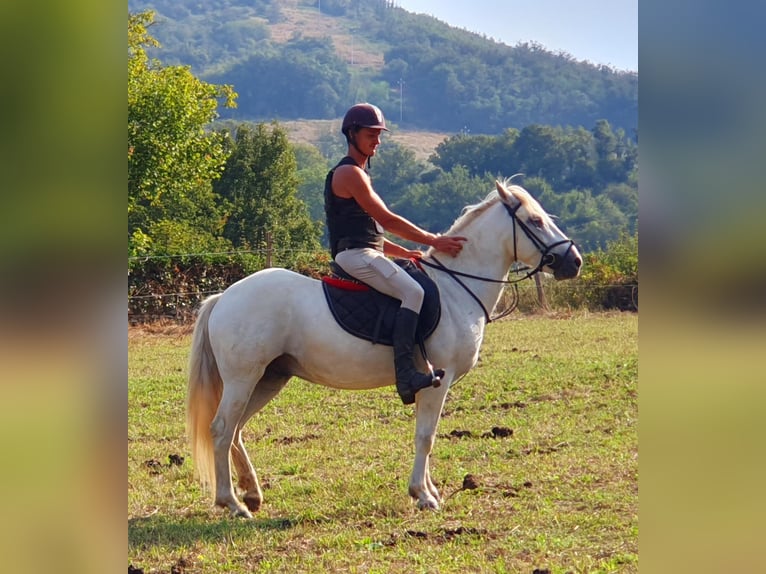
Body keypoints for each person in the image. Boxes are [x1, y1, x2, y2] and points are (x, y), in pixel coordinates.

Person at [324, 103, 467, 405]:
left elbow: (372, 231)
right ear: (352, 134)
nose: (377, 141)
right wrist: (434, 240)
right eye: (371, 134)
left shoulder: (358, 173)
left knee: (411, 282)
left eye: (379, 135)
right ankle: (406, 374)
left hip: (362, 251)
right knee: (413, 292)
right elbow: (387, 220)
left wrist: (403, 251)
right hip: (354, 255)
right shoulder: (350, 173)